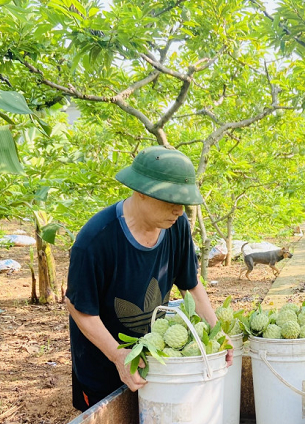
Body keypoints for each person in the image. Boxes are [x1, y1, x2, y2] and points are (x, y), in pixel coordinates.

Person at [65, 145, 231, 412]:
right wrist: (119, 356)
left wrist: (216, 333)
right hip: (102, 362)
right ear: (141, 191)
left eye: (183, 203)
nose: (179, 210)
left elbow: (191, 285)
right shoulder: (96, 239)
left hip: (151, 359)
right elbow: (78, 306)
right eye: (171, 201)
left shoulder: (177, 227)